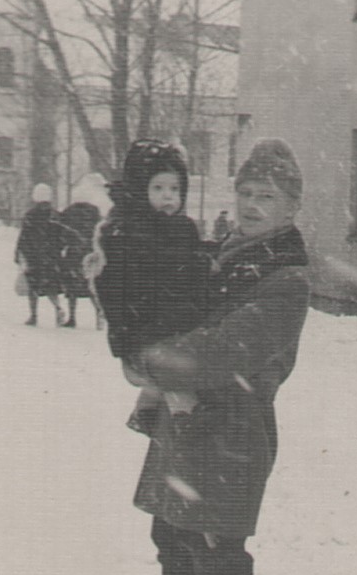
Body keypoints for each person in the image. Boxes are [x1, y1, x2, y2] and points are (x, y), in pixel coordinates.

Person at [113, 138, 311, 575]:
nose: (251, 204)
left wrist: (149, 360)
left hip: (234, 426)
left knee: (217, 550)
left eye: (266, 196)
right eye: (245, 192)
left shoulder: (287, 277)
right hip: (184, 419)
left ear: (289, 207)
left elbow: (225, 348)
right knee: (173, 537)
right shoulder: (216, 254)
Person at [89, 139, 210, 429]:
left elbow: (188, 267)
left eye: (175, 189)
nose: (168, 196)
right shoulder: (127, 232)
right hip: (143, 330)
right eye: (158, 188)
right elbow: (123, 287)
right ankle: (183, 419)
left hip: (164, 327)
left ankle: (148, 407)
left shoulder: (180, 227)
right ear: (141, 191)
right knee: (181, 382)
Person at [14, 183, 66, 326]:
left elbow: (24, 237)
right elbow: (62, 236)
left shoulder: (30, 215)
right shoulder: (55, 215)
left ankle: (33, 315)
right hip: (52, 257)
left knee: (33, 287)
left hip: (34, 256)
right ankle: (58, 308)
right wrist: (58, 250)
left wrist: (19, 254)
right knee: (51, 286)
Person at [55, 201, 105, 329]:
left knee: (72, 288)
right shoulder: (94, 216)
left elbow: (62, 236)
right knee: (89, 287)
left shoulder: (69, 217)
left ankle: (72, 317)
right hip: (88, 254)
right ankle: (98, 313)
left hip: (73, 255)